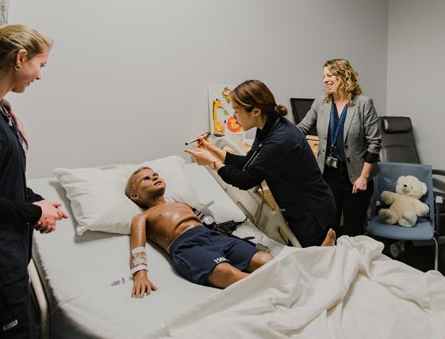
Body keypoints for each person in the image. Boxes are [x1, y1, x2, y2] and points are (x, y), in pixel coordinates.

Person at [0, 25, 68, 339]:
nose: (39, 76)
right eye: (41, 65)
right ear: (20, 58)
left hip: (5, 260)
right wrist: (33, 212)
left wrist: (36, 202)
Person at [124, 166, 339, 298]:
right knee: (227, 274)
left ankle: (312, 265)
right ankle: (286, 293)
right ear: (135, 196)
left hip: (214, 237)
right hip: (187, 246)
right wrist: (140, 273)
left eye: (155, 174)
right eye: (145, 179)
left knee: (266, 259)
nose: (154, 177)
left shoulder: (183, 204)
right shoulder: (143, 217)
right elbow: (137, 245)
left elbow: (209, 221)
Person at [185, 80, 336, 247]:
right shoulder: (267, 127)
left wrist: (212, 162)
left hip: (312, 212)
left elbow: (245, 180)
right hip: (301, 207)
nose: (233, 117)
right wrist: (212, 149)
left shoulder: (280, 140)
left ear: (255, 111)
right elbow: (248, 162)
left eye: (236, 111)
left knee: (319, 262)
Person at [297, 58, 381, 236]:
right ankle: (333, 262)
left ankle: (354, 263)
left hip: (356, 177)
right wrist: (277, 132)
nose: (325, 80)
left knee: (353, 230)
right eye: (323, 76)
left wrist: (364, 177)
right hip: (328, 176)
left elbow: (375, 143)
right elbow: (302, 128)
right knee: (329, 228)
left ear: (344, 76)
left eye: (330, 75)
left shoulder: (363, 104)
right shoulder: (321, 103)